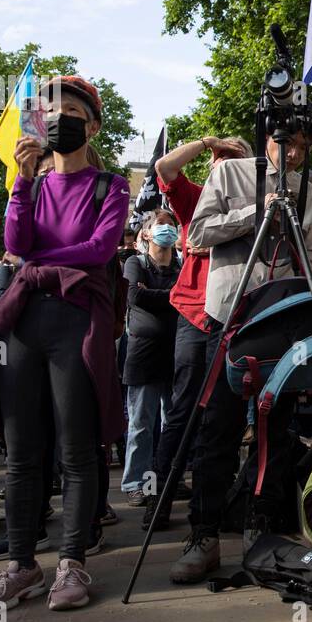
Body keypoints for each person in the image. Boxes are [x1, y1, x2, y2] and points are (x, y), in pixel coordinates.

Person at [0, 75, 130, 614]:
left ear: (93, 125)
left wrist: (42, 262)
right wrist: (20, 179)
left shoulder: (111, 186)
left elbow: (101, 247)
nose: (59, 120)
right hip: (24, 320)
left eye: (71, 113)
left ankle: (71, 560)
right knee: (21, 453)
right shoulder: (32, 185)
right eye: (51, 112)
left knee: (78, 451)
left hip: (78, 321)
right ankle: (21, 566)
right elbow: (16, 245)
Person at [170, 122, 312, 584]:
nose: (294, 154)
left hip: (280, 322)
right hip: (228, 315)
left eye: (303, 146)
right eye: (287, 142)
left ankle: (263, 529)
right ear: (267, 139)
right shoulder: (230, 174)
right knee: (215, 427)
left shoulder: (310, 194)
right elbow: (197, 233)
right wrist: (253, 216)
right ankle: (204, 534)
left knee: (274, 429)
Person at [146, 134, 249, 530]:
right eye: (220, 159)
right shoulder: (195, 200)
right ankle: (160, 497)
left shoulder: (254, 209)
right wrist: (209, 142)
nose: (224, 164)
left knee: (225, 416)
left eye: (235, 160)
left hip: (236, 321)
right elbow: (164, 169)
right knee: (181, 412)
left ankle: (214, 507)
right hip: (194, 316)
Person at [120, 209, 180, 506]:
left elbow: (188, 296)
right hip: (143, 354)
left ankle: (167, 479)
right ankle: (136, 482)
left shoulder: (181, 266)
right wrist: (172, 295)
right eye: (160, 225)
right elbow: (134, 297)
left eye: (171, 224)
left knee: (172, 421)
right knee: (141, 423)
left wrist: (156, 294)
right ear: (146, 233)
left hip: (175, 354)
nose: (167, 230)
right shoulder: (135, 262)